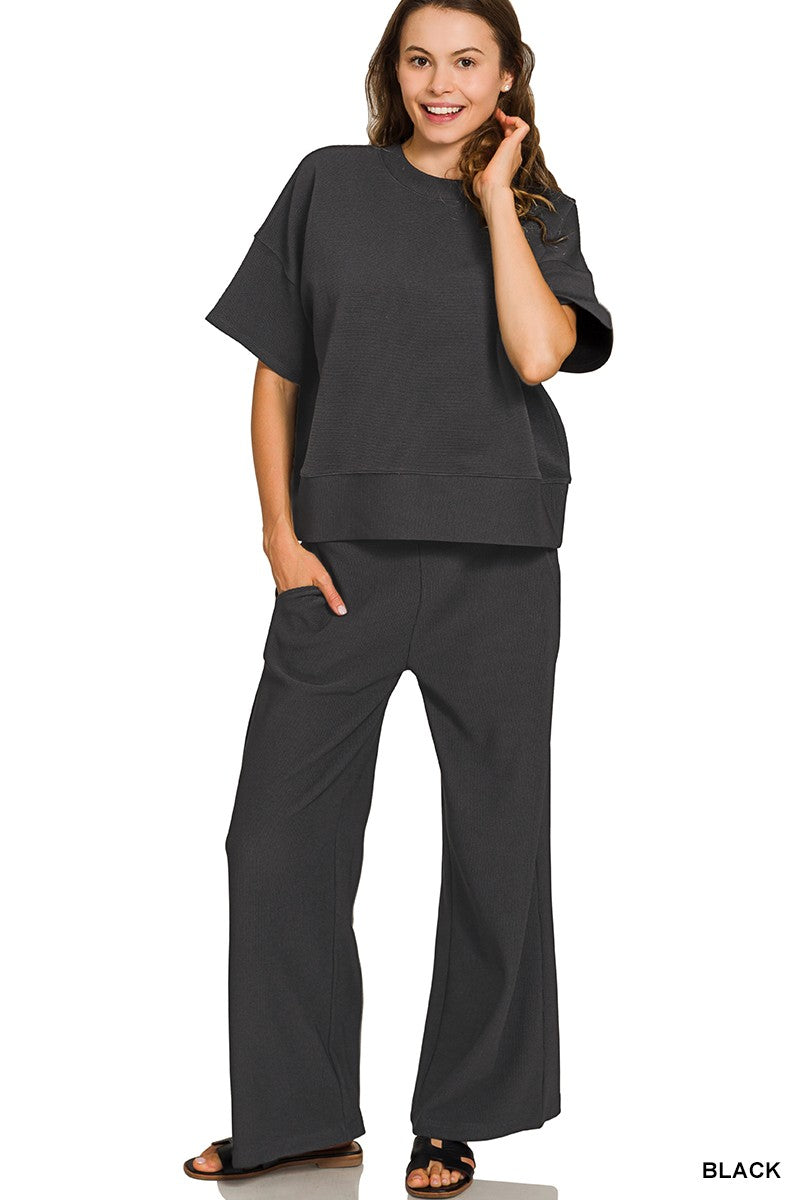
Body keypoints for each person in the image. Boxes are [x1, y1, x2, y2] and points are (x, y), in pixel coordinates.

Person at [184, 0, 613, 1193]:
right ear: (391, 70)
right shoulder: (328, 183)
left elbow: (536, 353)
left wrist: (494, 196)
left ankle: (455, 1115)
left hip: (499, 564)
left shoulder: (539, 212)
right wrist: (279, 535)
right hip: (339, 565)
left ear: (505, 76)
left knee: (494, 842)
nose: (440, 83)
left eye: (467, 62)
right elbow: (276, 373)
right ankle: (298, 1116)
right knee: (276, 840)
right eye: (419, 59)